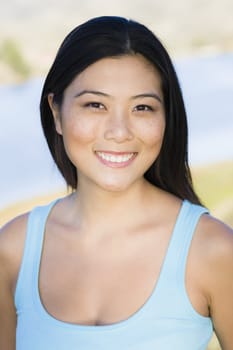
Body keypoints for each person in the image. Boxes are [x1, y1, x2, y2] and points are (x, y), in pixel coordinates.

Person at [0, 16, 232, 350]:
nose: (120, 131)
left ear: (167, 117)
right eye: (95, 105)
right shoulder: (13, 251)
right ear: (56, 113)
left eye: (142, 107)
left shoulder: (213, 251)